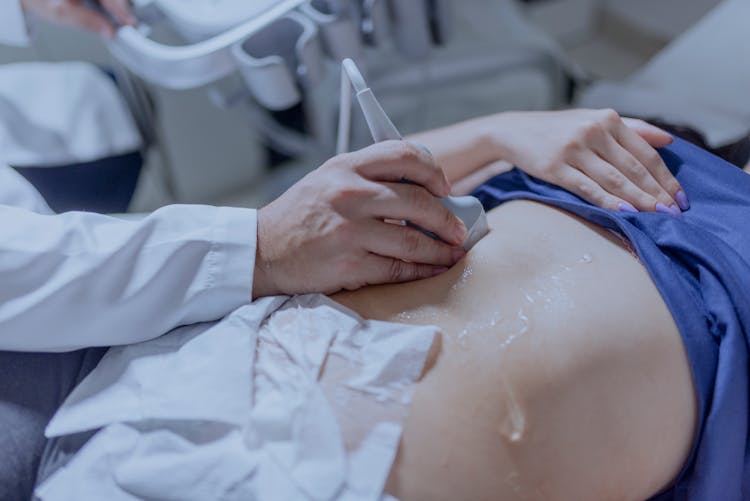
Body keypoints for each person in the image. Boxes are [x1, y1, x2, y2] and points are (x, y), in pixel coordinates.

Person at [32, 119, 749, 501]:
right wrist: (506, 131)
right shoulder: (594, 164)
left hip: (150, 427)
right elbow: (371, 188)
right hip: (163, 423)